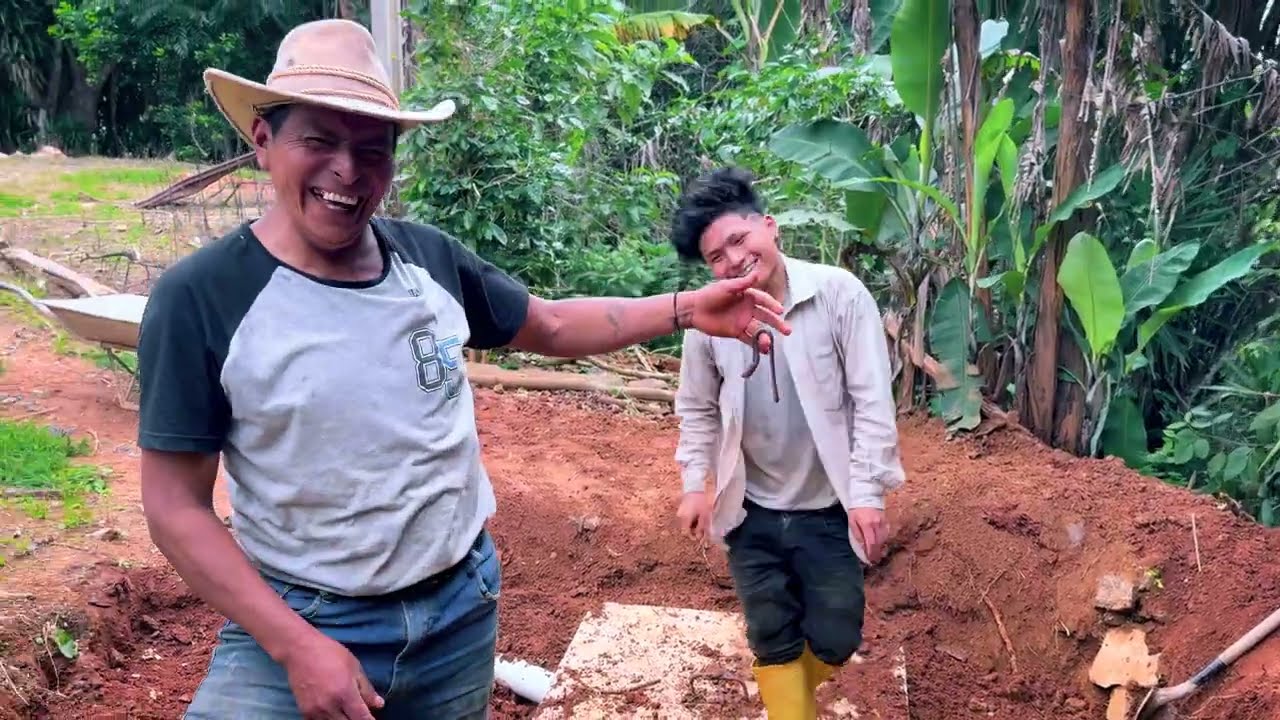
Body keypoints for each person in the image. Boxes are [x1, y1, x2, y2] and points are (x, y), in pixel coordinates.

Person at [136, 20, 791, 720]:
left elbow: (551, 324)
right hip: (300, 617)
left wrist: (690, 307)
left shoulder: (428, 261)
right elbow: (175, 507)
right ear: (264, 142)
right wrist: (296, 647)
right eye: (319, 141)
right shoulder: (202, 298)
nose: (348, 172)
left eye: (372, 148)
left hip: (459, 611)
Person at [669, 167, 906, 719]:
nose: (732, 260)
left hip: (827, 508)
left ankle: (789, 696)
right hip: (750, 509)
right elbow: (697, 408)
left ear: (768, 228)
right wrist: (694, 485)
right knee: (771, 637)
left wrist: (868, 493)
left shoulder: (839, 295)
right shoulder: (708, 321)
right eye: (716, 257)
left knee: (836, 638)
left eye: (738, 239)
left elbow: (872, 402)